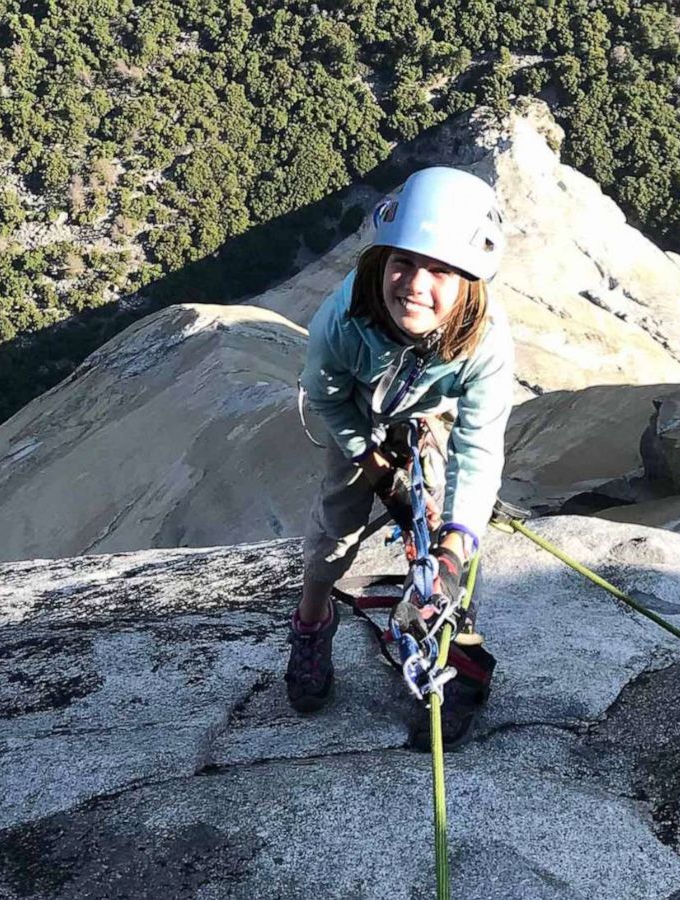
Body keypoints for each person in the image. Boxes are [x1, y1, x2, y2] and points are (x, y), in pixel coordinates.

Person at [289, 166, 514, 745]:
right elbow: (326, 398)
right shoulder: (343, 318)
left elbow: (480, 445)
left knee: (447, 542)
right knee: (335, 529)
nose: (415, 283)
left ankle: (452, 647)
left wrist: (457, 541)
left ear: (469, 283)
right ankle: (312, 622)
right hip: (360, 415)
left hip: (431, 416)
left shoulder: (486, 344)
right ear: (381, 262)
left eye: (440, 269)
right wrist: (370, 461)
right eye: (404, 262)